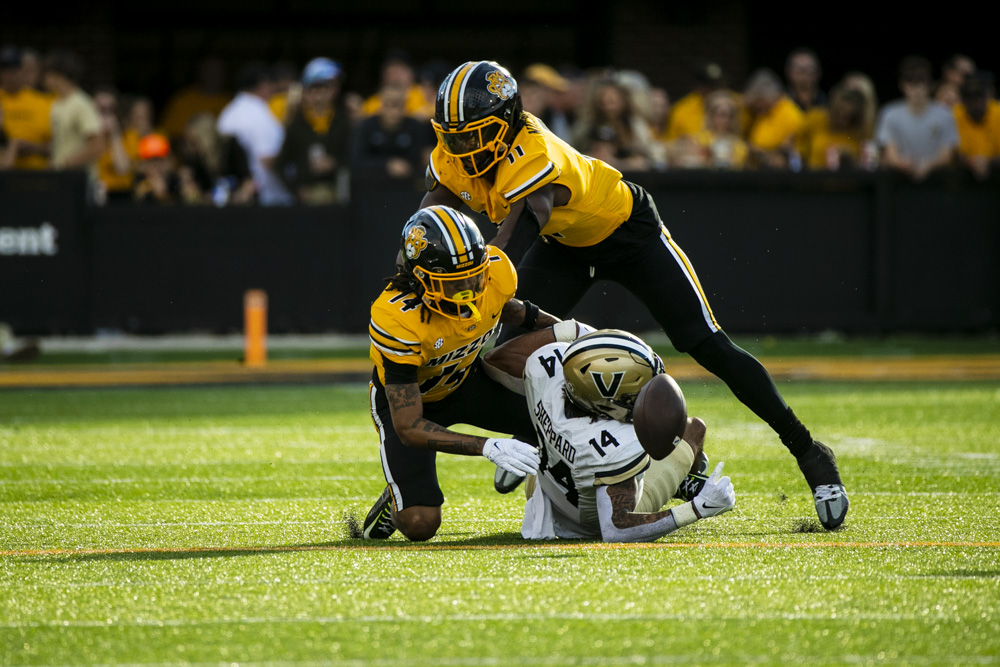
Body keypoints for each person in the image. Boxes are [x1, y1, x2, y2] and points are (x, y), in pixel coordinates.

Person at [418, 60, 848, 530]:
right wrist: (414, 257)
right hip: (565, 245)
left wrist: (475, 283)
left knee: (706, 344)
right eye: (452, 135)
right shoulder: (450, 155)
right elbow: (431, 213)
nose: (459, 147)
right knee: (497, 352)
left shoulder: (533, 153)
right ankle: (525, 440)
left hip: (628, 233)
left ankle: (809, 452)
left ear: (506, 125)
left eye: (471, 135)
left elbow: (517, 235)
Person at [355, 205, 561, 542]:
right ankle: (396, 500)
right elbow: (408, 426)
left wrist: (568, 330)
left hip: (467, 380)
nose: (469, 291)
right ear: (419, 279)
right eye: (454, 283)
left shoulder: (496, 272)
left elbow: (503, 307)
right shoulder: (397, 319)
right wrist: (487, 446)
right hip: (410, 403)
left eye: (473, 277)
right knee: (420, 524)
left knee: (558, 425)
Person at [483, 324, 735, 542]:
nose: (641, 400)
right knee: (692, 428)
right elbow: (616, 528)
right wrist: (697, 509)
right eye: (633, 397)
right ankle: (685, 483)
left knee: (545, 422)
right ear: (604, 403)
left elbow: (494, 358)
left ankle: (528, 439)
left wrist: (573, 331)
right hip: (586, 523)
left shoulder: (548, 367)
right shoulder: (619, 446)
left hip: (542, 492)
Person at [274, 57, 352, 204]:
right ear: (306, 92)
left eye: (326, 87)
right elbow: (282, 164)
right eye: (315, 88)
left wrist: (334, 163)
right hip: (308, 194)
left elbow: (354, 156)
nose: (320, 94)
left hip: (340, 192)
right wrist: (296, 189)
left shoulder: (344, 121)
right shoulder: (296, 124)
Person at [216, 61, 293, 205]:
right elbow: (269, 158)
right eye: (271, 83)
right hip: (266, 199)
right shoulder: (259, 114)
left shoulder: (228, 113)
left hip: (233, 196)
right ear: (263, 84)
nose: (273, 88)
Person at [876, 56, 959, 182]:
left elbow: (947, 153)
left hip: (937, 183)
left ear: (930, 84)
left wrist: (928, 165)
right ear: (902, 85)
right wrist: (902, 163)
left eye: (921, 81)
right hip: (900, 183)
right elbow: (889, 152)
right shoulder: (889, 114)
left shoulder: (945, 115)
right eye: (911, 81)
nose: (917, 88)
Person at [349, 83, 434, 182]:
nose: (394, 111)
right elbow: (356, 159)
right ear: (381, 104)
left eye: (399, 105)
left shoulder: (415, 126)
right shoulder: (366, 125)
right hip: (371, 184)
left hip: (407, 185)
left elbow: (421, 156)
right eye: (389, 104)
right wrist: (386, 165)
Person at [43, 49, 104, 187]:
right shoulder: (56, 104)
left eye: (47, 74)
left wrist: (64, 164)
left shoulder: (81, 104)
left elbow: (97, 146)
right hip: (61, 182)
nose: (45, 80)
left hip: (80, 183)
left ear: (59, 76)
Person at [741, 67, 806, 170]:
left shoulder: (790, 114)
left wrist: (761, 152)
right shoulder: (763, 112)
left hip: (781, 171)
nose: (757, 106)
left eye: (759, 101)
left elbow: (788, 150)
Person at [0, 45, 53, 169]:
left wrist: (30, 147)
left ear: (23, 70)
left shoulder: (44, 102)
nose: (9, 75)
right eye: (4, 69)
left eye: (14, 69)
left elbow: (59, 147)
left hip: (37, 176)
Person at [667, 90, 747, 169]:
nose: (723, 120)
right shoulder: (697, 139)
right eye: (719, 114)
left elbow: (736, 166)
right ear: (710, 115)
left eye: (728, 115)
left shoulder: (738, 144)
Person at [160, 56, 231, 143]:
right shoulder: (182, 101)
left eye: (217, 71)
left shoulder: (229, 104)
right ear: (200, 73)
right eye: (208, 71)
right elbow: (169, 135)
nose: (213, 75)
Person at [662, 60, 729, 143]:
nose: (715, 92)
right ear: (699, 87)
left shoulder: (734, 104)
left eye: (718, 87)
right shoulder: (681, 109)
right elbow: (670, 143)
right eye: (709, 88)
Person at [953, 71, 1000, 180]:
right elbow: (951, 154)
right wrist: (970, 161)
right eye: (970, 99)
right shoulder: (954, 116)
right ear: (963, 101)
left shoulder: (998, 113)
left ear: (987, 97)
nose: (975, 103)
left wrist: (988, 161)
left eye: (979, 97)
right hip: (962, 183)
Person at [784, 47, 826, 113]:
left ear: (819, 73)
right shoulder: (777, 104)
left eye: (809, 69)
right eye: (799, 70)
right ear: (788, 72)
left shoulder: (829, 105)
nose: (804, 75)